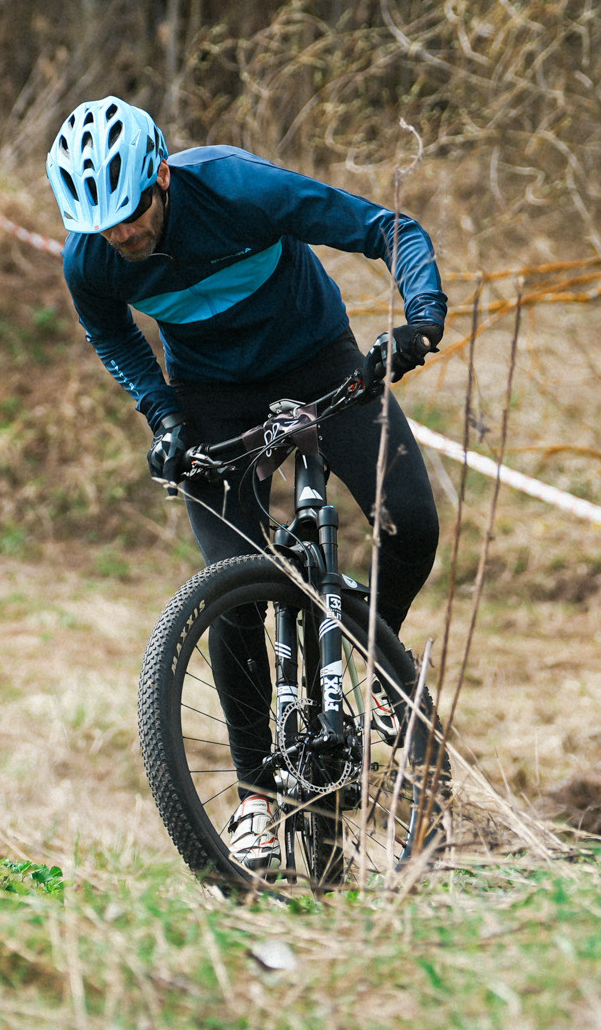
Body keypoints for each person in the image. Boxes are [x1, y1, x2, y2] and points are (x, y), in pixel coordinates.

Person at [49, 96, 447, 871]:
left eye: (131, 214)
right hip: (211, 397)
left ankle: (377, 655)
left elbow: (387, 230)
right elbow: (112, 335)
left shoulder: (237, 188)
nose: (121, 236)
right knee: (233, 582)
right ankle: (256, 797)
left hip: (320, 362)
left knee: (412, 523)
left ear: (162, 177)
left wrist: (421, 318)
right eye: (102, 227)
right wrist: (163, 415)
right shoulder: (90, 260)